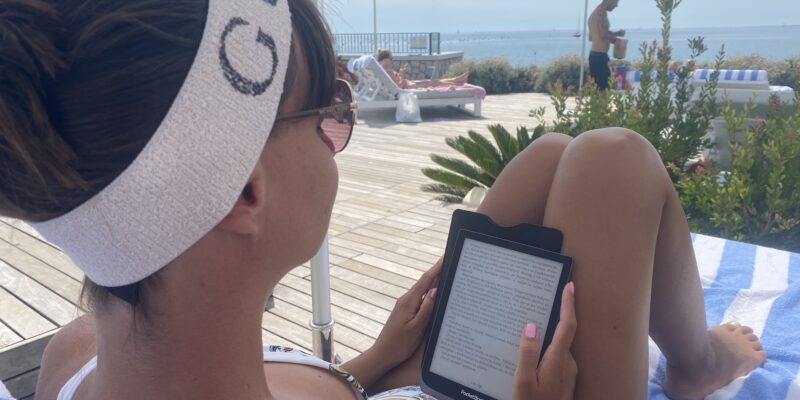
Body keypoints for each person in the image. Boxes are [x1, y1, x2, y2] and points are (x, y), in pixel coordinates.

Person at [0, 1, 764, 400]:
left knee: (557, 157)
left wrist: (373, 362)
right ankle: (693, 365)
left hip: (388, 373)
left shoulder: (77, 354)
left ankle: (694, 358)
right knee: (614, 160)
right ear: (243, 191)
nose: (341, 128)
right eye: (331, 110)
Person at [375, 49, 470, 90]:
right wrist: (402, 75)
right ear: (385, 60)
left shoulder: (384, 71)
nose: (392, 61)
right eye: (391, 59)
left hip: (408, 84)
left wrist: (400, 74)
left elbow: (396, 83)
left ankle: (456, 80)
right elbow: (399, 88)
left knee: (434, 81)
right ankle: (456, 82)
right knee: (433, 83)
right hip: (408, 87)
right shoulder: (388, 72)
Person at [588, 0, 625, 90]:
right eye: (616, 2)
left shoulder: (595, 14)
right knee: (604, 88)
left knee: (598, 88)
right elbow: (603, 34)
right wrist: (618, 33)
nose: (616, 5)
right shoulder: (600, 14)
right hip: (599, 57)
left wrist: (615, 41)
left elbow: (592, 37)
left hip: (596, 55)